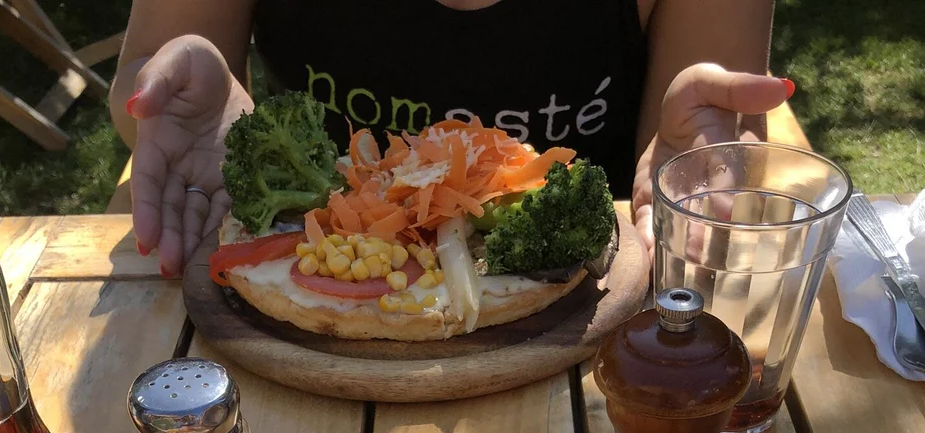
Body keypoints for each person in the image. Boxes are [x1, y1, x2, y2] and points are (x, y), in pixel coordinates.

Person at [110, 0, 790, 276]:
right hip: (297, 316)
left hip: (581, 343)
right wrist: (195, 112)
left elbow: (715, 150)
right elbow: (147, 75)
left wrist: (696, 166)